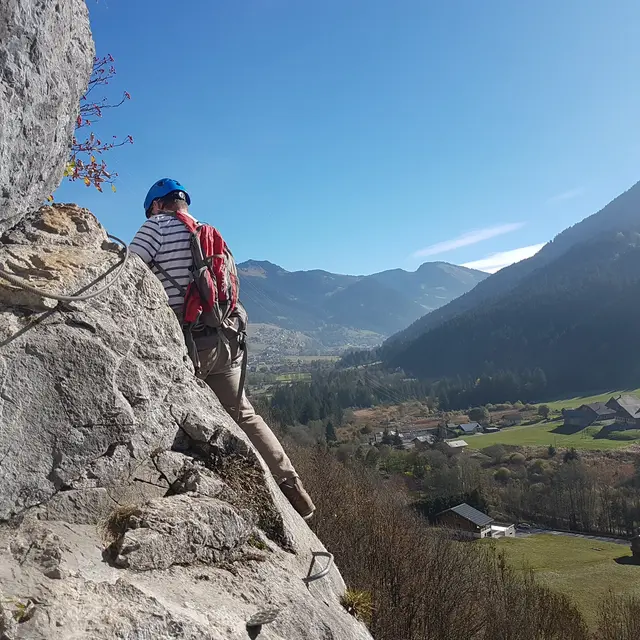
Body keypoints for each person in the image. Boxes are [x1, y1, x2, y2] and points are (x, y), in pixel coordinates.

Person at [130, 178, 315, 520]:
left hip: (185, 345)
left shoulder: (154, 227)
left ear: (156, 205)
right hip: (225, 338)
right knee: (243, 414)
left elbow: (126, 272)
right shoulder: (208, 231)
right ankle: (293, 489)